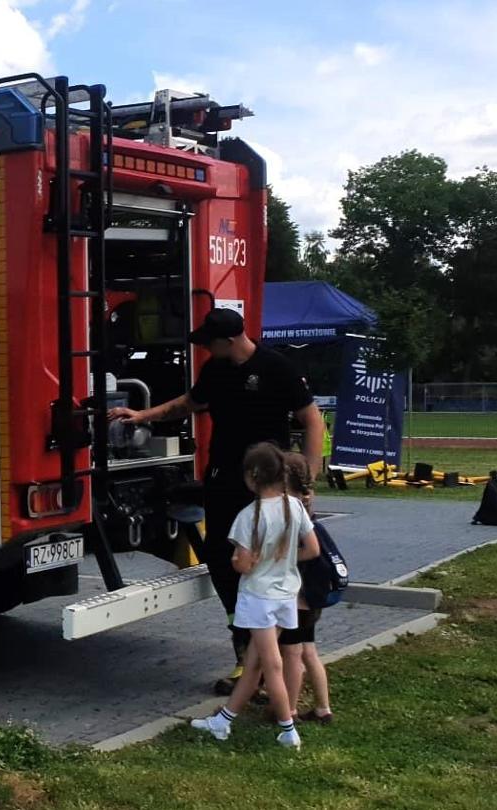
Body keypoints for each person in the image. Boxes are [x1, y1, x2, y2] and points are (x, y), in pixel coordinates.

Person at [108, 306, 327, 694]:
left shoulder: (276, 368)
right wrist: (142, 416)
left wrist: (305, 482)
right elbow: (187, 404)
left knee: (270, 564)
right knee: (222, 559)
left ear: (228, 341)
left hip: (267, 485)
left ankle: (282, 657)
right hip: (224, 477)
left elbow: (312, 420)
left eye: (210, 343)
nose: (205, 349)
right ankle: (247, 652)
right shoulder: (216, 370)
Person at [190, 443, 321, 749]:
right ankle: (223, 721)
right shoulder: (295, 506)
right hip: (286, 594)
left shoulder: (248, 516)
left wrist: (245, 561)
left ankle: (287, 728)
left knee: (270, 664)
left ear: (252, 477)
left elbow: (243, 564)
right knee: (254, 663)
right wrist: (283, 559)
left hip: (258, 598)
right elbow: (312, 549)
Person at [281, 450, 335, 725]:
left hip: (297, 597)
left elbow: (307, 551)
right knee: (310, 651)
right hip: (313, 596)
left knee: (292, 652)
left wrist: (280, 557)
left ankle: (288, 708)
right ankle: (323, 707)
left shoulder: (290, 511)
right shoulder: (307, 504)